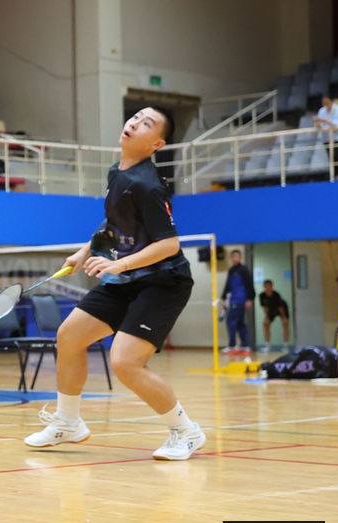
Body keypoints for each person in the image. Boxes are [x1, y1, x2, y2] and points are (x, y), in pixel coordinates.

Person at [25, 106, 205, 460]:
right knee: (69, 336)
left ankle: (187, 431)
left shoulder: (148, 185)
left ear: (157, 144)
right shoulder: (118, 172)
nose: (134, 123)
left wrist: (118, 263)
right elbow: (113, 224)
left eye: (146, 124)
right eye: (135, 117)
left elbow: (169, 244)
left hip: (162, 282)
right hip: (125, 278)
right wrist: (84, 252)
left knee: (125, 362)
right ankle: (68, 422)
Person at [220, 249, 254, 355]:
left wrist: (249, 298)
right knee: (240, 323)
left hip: (240, 300)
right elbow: (228, 286)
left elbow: (249, 284)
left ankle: (232, 346)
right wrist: (224, 298)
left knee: (230, 321)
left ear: (240, 257)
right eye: (233, 256)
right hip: (233, 299)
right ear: (231, 257)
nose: (235, 258)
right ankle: (245, 346)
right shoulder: (231, 270)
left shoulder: (243, 269)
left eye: (237, 256)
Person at [258, 279, 290, 348]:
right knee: (265, 324)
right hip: (271, 310)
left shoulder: (276, 294)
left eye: (269, 285)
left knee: (285, 324)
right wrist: (267, 317)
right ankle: (267, 344)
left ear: (272, 286)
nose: (268, 287)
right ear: (264, 286)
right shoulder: (262, 295)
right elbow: (264, 307)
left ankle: (285, 344)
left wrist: (284, 318)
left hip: (282, 309)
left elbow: (280, 307)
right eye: (266, 286)